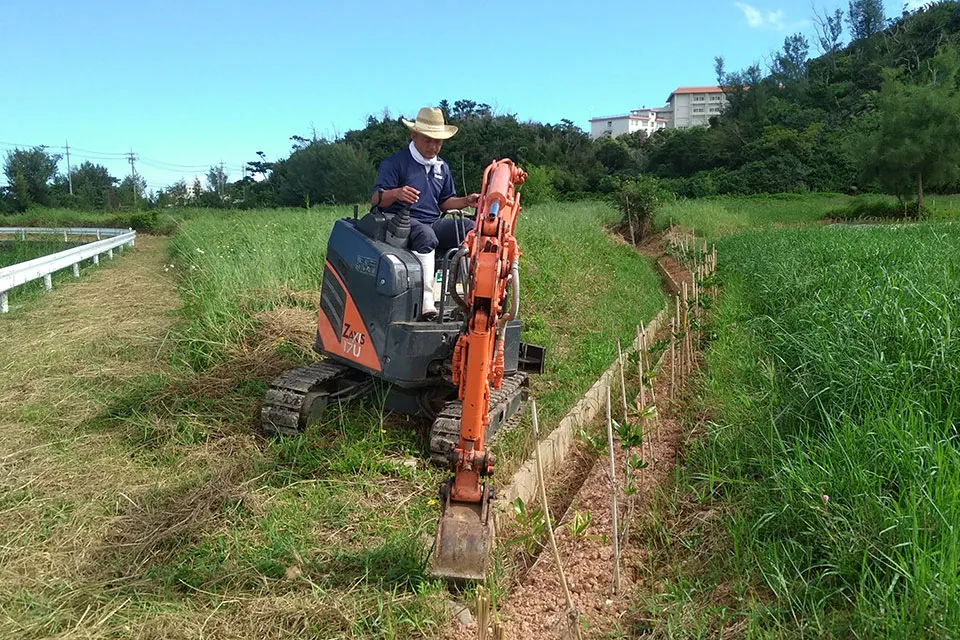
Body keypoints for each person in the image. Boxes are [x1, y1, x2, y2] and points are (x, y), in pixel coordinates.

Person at [371, 106, 479, 319]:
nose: (433, 146)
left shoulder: (442, 168)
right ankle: (426, 301)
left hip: (431, 220)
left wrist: (466, 201)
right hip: (400, 221)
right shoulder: (395, 163)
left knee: (470, 230)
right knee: (426, 235)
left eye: (438, 141)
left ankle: (469, 296)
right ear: (414, 135)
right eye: (428, 140)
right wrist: (397, 193)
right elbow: (376, 198)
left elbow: (444, 202)